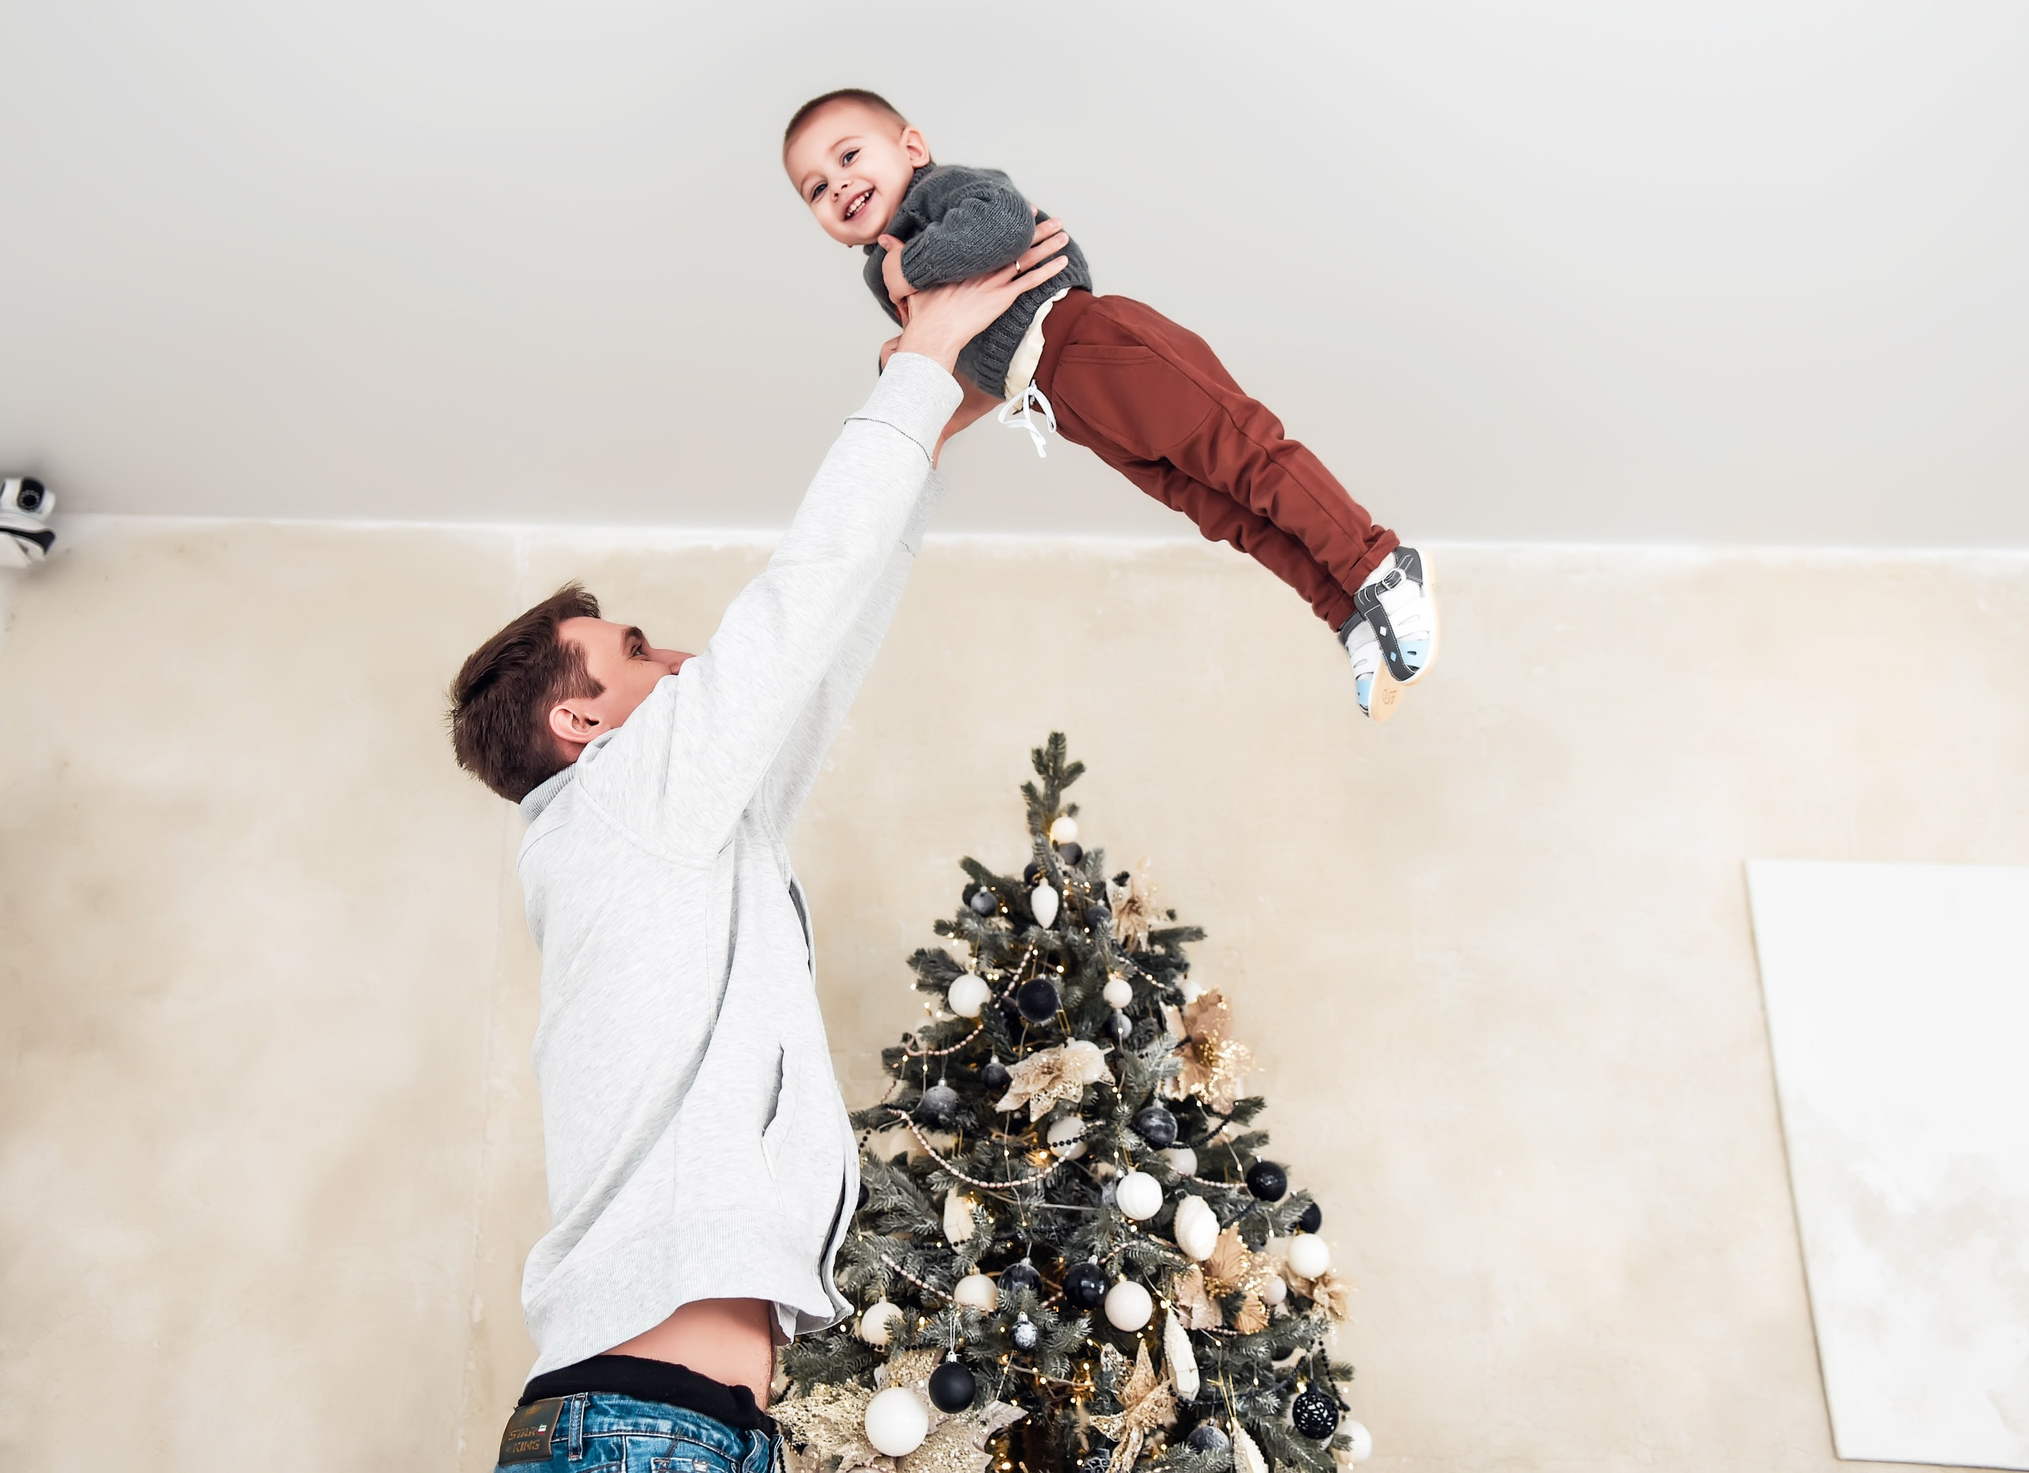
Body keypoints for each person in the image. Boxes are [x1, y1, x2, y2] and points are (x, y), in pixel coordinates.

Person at [444, 223, 1074, 1473]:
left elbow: (813, 661)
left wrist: (926, 437)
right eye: (637, 653)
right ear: (581, 727)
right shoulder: (619, 806)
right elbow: (788, 611)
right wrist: (913, 370)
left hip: (677, 1427)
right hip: (642, 1429)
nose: (680, 660)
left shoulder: (667, 836)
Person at [781, 88, 1437, 722]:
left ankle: (1379, 566)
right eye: (815, 188)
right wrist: (913, 375)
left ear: (912, 148)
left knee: (1246, 458)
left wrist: (909, 272)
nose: (838, 185)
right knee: (1222, 511)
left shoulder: (939, 192)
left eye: (848, 156)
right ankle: (1346, 612)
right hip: (1064, 403)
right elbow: (963, 343)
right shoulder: (883, 270)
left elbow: (1002, 224)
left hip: (1094, 345)